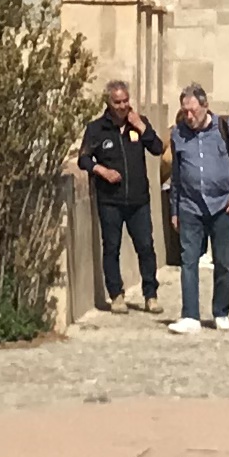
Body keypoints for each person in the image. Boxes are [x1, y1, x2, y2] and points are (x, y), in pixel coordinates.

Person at [165, 86, 229, 334]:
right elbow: (177, 176)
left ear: (205, 106)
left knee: (223, 261)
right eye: (185, 112)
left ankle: (221, 311)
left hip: (222, 204)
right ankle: (190, 315)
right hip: (190, 205)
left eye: (192, 111)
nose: (189, 116)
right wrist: (174, 209)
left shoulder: (225, 127)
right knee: (188, 260)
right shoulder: (178, 135)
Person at [79, 80, 163, 312]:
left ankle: (151, 294)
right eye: (118, 102)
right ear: (109, 102)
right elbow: (84, 159)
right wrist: (101, 171)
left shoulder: (139, 124)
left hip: (138, 200)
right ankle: (116, 294)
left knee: (146, 246)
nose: (123, 106)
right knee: (111, 247)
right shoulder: (96, 129)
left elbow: (157, 148)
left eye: (126, 101)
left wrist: (141, 127)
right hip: (110, 201)